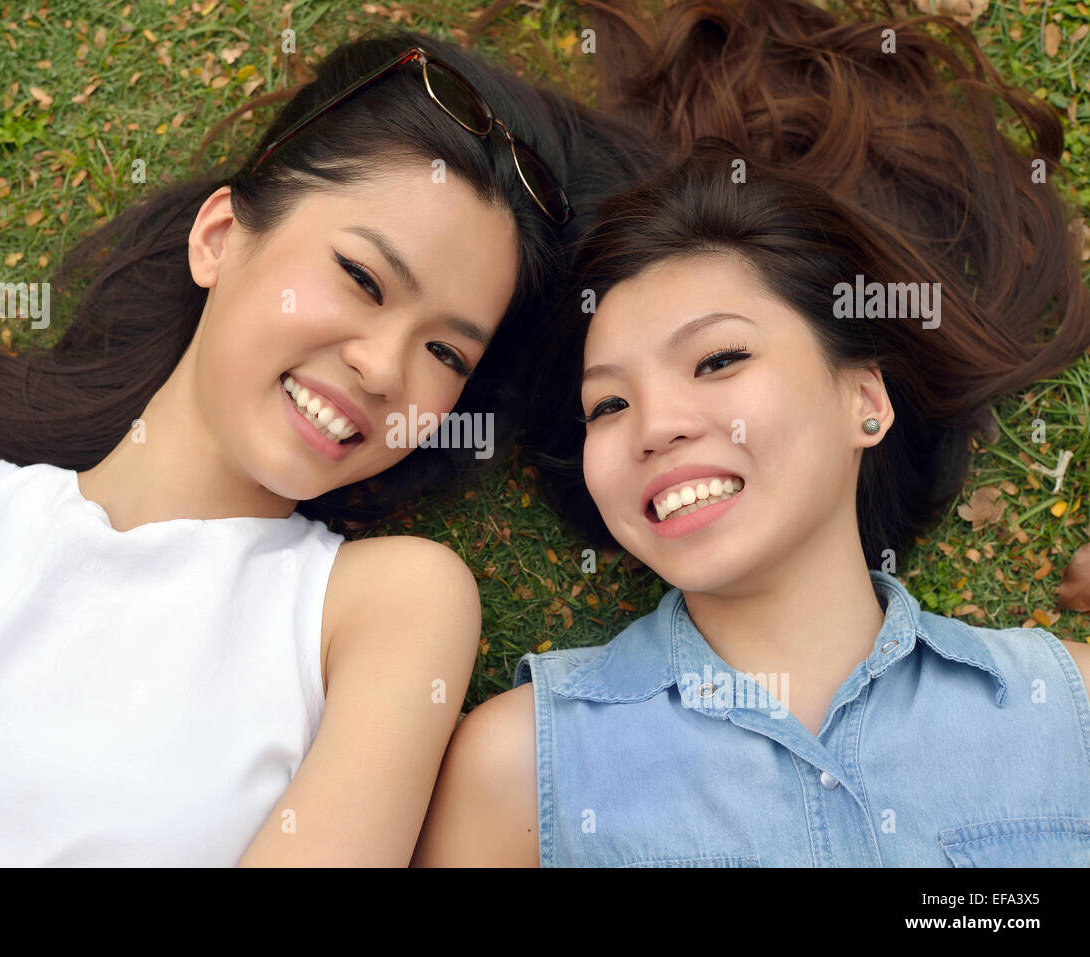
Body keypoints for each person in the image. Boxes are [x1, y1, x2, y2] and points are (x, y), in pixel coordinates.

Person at [0, 27, 651, 867]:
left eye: (446, 353)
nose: (384, 366)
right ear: (219, 238)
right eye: (361, 277)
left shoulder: (386, 608)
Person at [412, 1, 1090, 867]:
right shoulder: (519, 769)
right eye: (607, 405)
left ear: (864, 400)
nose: (653, 426)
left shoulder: (1064, 710)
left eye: (717, 359)